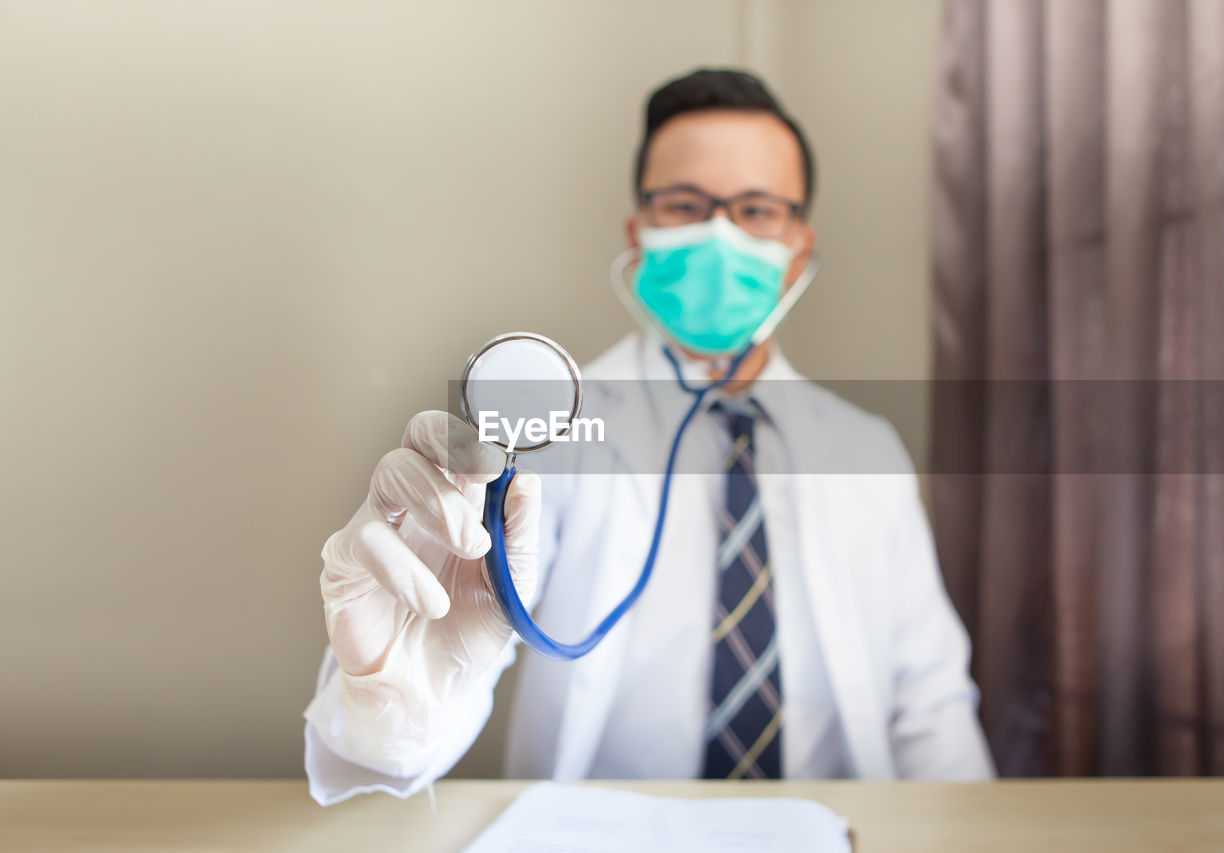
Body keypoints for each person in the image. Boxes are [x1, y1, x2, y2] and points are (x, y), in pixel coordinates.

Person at [303, 68, 994, 805]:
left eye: (757, 209)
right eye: (686, 205)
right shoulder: (547, 438)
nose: (720, 232)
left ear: (799, 245)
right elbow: (406, 748)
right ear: (640, 232)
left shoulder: (867, 452)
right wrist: (394, 692)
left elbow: (930, 703)